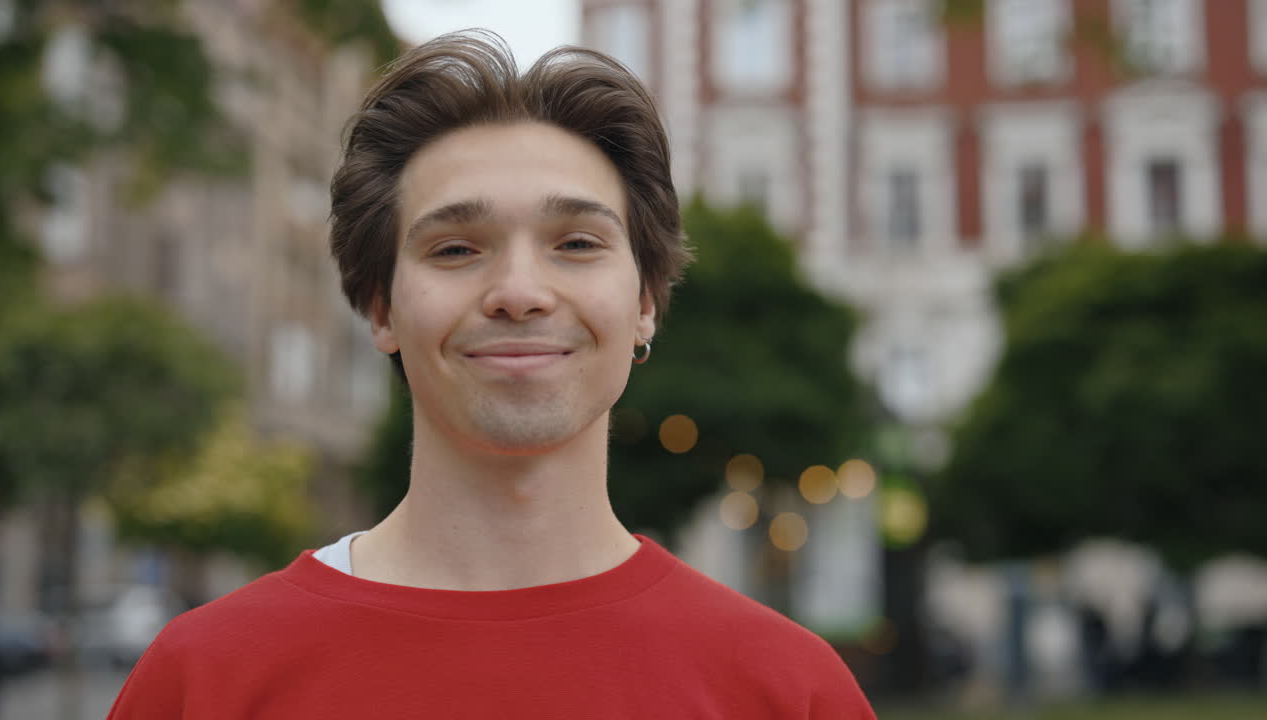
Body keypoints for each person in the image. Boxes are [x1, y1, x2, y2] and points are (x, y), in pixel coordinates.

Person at [107, 30, 877, 719]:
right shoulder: (202, 682)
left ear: (644, 303)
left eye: (575, 243)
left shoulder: (789, 692)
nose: (518, 292)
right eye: (455, 248)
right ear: (380, 309)